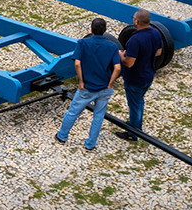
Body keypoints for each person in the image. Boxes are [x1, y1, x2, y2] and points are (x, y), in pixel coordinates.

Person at [55, 18, 122, 151]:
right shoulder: (113, 46)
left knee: (73, 113)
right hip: (104, 88)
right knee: (98, 116)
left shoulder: (83, 43)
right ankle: (90, 144)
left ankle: (62, 136)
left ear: (91, 30)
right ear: (105, 30)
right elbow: (118, 68)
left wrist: (81, 81)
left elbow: (77, 64)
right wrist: (110, 83)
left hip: (86, 87)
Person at [114, 9, 163, 142]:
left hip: (135, 78)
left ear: (136, 21)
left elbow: (129, 63)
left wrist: (120, 55)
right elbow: (158, 52)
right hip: (148, 74)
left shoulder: (135, 40)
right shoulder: (156, 33)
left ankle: (133, 133)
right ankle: (135, 124)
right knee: (139, 101)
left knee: (135, 105)